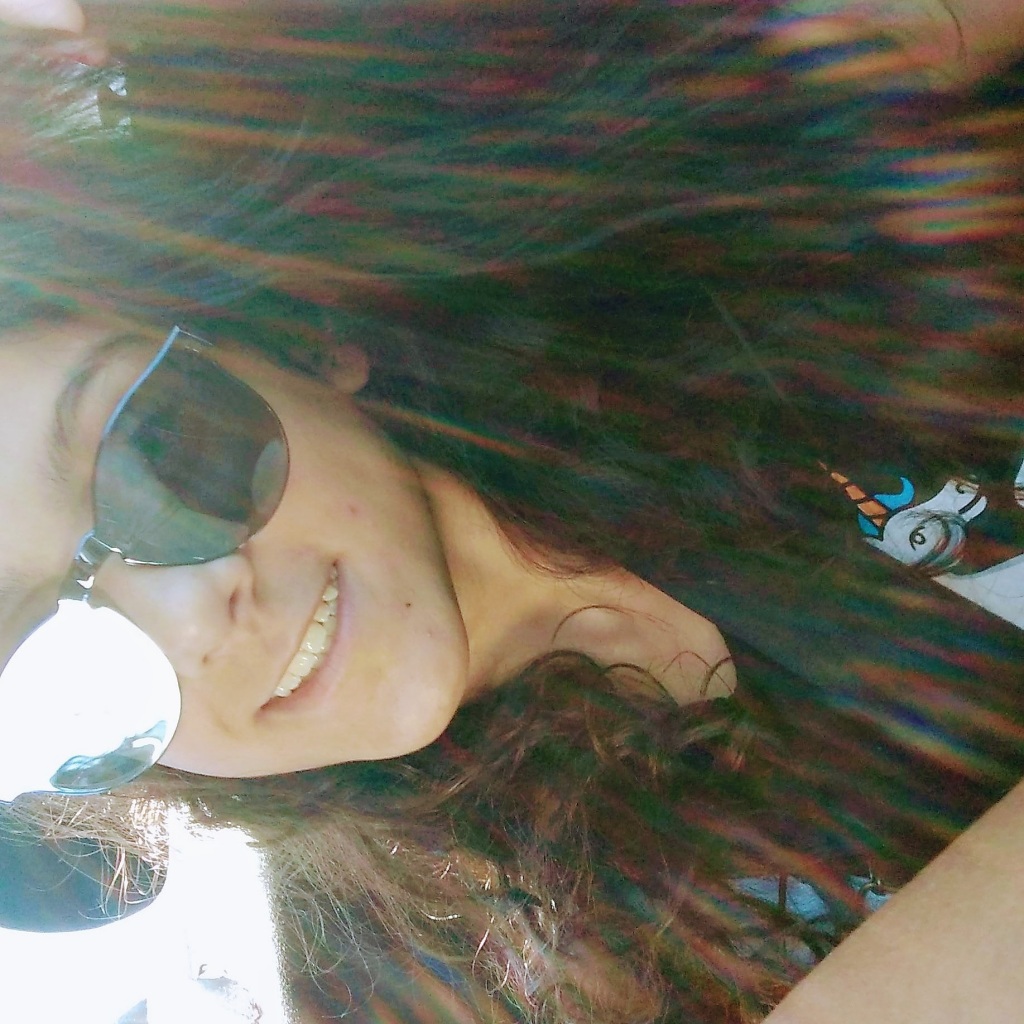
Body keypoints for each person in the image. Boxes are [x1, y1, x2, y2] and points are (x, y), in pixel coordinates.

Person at [0, 1, 1022, 1021]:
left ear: (289, 336)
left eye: (155, 448)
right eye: (40, 657)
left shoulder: (752, 216)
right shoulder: (486, 986)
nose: (191, 619)